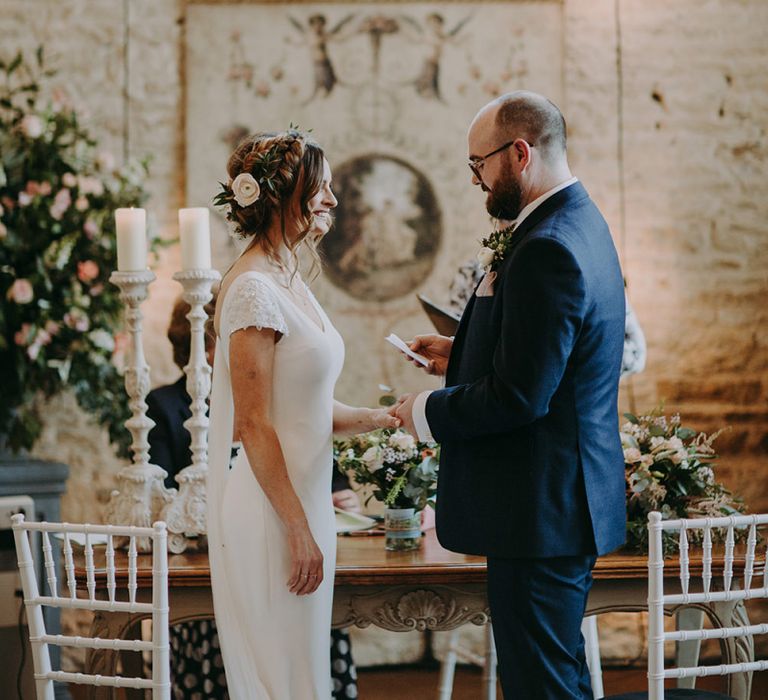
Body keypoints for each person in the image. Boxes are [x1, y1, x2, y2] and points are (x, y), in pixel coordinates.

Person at [393, 91, 626, 699]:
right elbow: (545, 357)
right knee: (554, 676)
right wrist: (461, 354)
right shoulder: (578, 221)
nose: (475, 179)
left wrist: (421, 413)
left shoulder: (546, 246)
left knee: (541, 687)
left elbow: (521, 397)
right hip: (553, 505)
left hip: (540, 511)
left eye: (479, 164)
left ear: (519, 153)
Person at [207, 128, 399, 699]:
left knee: (305, 674)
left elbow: (305, 408)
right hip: (273, 514)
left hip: (306, 504)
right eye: (323, 188)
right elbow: (253, 423)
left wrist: (381, 419)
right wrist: (297, 528)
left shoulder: (290, 277)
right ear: (282, 193)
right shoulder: (252, 290)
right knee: (283, 680)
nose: (333, 202)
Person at [146, 295, 361, 699]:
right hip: (210, 564)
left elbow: (321, 462)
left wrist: (340, 493)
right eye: (226, 341)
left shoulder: (275, 398)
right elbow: (163, 491)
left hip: (288, 548)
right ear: (200, 347)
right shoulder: (167, 406)